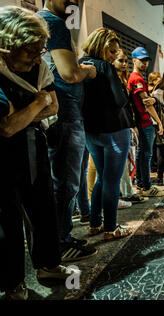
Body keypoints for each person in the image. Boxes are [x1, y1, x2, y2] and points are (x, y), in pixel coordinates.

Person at [0, 6, 80, 300]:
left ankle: (48, 265)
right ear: (7, 45)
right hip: (4, 154)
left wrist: (25, 112)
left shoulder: (38, 66)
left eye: (39, 50)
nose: (37, 57)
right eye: (30, 51)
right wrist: (36, 105)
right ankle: (12, 283)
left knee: (42, 207)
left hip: (34, 145)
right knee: (6, 219)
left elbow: (54, 107)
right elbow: (7, 127)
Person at [37, 0, 98, 261]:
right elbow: (70, 73)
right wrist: (89, 70)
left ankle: (57, 239)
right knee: (66, 182)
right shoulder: (53, 23)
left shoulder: (42, 20)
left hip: (58, 114)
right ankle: (61, 242)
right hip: (65, 115)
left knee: (60, 181)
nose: (74, 0)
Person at [79, 28, 135, 240]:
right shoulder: (105, 67)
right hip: (114, 130)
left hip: (90, 131)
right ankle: (111, 228)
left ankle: (95, 224)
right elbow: (121, 100)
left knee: (102, 178)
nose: (114, 56)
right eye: (111, 51)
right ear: (101, 47)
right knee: (111, 181)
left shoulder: (80, 62)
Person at [128, 47, 164, 197]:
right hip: (144, 122)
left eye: (146, 61)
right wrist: (159, 122)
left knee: (141, 154)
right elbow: (146, 103)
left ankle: (142, 184)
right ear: (134, 60)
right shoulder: (137, 79)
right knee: (146, 155)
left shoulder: (134, 78)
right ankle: (147, 186)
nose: (144, 64)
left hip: (141, 122)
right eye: (141, 60)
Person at [113, 49, 147, 204]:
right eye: (121, 60)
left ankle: (126, 192)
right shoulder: (114, 78)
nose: (124, 64)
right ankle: (121, 194)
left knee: (125, 161)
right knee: (117, 163)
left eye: (125, 61)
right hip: (115, 125)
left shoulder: (123, 79)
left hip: (125, 124)